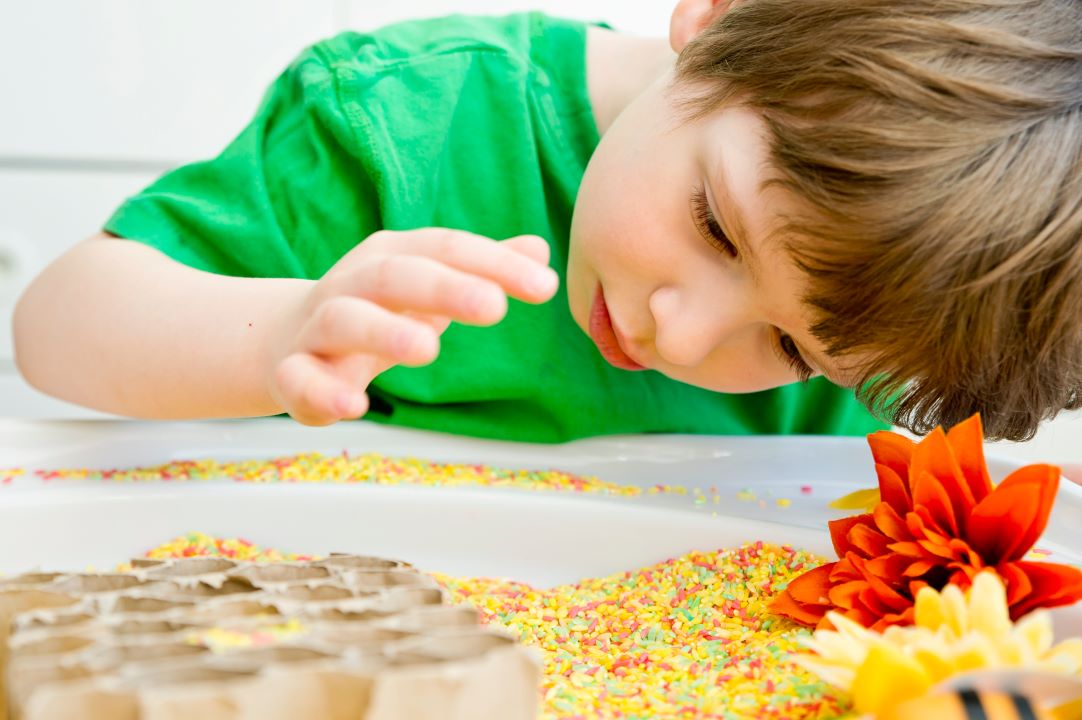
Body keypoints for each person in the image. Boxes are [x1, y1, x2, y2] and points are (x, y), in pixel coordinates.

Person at [12, 0, 1082, 447]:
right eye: (714, 226)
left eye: (794, 347)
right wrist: (285, 331)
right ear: (715, 20)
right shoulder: (407, 122)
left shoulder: (894, 316)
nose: (685, 332)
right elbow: (57, 322)